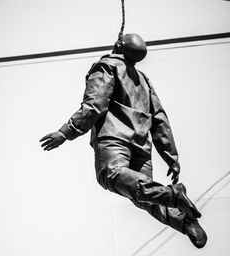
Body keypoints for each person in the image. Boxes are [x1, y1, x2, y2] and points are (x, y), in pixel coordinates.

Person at [40, 33, 207, 248]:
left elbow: (94, 106)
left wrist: (65, 132)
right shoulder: (144, 80)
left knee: (111, 176)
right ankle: (185, 222)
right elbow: (159, 120)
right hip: (141, 146)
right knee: (144, 196)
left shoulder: (107, 66)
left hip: (114, 139)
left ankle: (174, 196)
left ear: (118, 44)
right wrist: (171, 157)